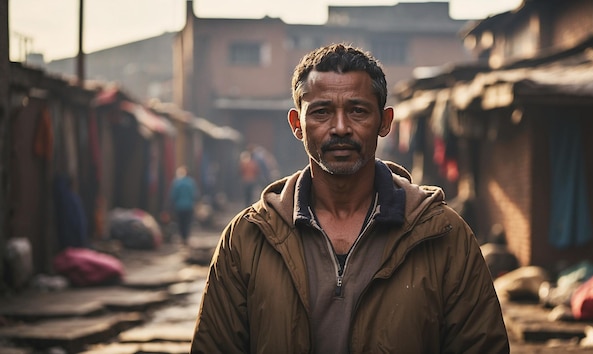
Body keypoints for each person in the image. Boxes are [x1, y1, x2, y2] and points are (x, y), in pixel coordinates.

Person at [191, 43, 509, 353]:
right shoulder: (246, 239)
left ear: (384, 122)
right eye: (322, 112)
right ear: (297, 124)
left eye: (357, 111)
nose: (340, 128)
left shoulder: (444, 235)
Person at [169, 165, 198, 245]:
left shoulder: (176, 183)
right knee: (187, 223)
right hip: (189, 206)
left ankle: (182, 237)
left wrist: (171, 205)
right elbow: (194, 195)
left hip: (179, 207)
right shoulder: (191, 182)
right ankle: (186, 237)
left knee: (180, 223)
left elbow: (173, 195)